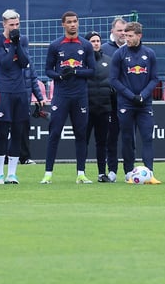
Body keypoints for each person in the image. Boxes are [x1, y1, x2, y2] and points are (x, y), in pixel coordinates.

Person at [42, 11, 95, 184]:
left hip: (80, 96)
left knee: (81, 134)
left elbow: (92, 71)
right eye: (69, 22)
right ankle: (48, 173)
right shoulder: (55, 45)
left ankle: (81, 173)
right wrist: (60, 76)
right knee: (54, 133)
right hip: (61, 95)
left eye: (75, 21)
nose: (73, 24)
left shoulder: (86, 45)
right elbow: (48, 70)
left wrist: (75, 72)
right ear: (63, 24)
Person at [109, 21, 161, 183]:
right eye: (125, 35)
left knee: (147, 137)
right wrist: (131, 96)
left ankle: (149, 173)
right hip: (126, 103)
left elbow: (154, 78)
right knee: (127, 138)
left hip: (144, 104)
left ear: (139, 36)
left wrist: (143, 95)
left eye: (130, 36)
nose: (127, 39)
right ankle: (128, 173)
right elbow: (113, 80)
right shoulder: (120, 54)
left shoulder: (149, 53)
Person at [0, 9, 32, 185]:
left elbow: (24, 62)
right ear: (4, 24)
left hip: (20, 91)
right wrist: (13, 46)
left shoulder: (22, 40)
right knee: (1, 133)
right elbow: (6, 63)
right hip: (3, 91)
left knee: (17, 133)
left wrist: (16, 44)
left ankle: (12, 174)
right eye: (11, 25)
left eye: (17, 24)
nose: (15, 27)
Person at [85, 31, 119, 182]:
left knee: (102, 142)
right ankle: (81, 172)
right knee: (83, 141)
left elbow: (114, 82)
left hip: (104, 109)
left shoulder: (109, 61)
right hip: (86, 109)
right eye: (93, 41)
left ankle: (101, 173)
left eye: (98, 40)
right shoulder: (83, 61)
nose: (96, 43)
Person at [18, 65, 47, 166]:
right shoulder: (7, 57)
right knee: (6, 130)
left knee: (24, 130)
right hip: (8, 100)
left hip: (25, 101)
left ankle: (25, 158)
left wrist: (40, 97)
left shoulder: (28, 61)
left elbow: (33, 81)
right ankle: (5, 158)